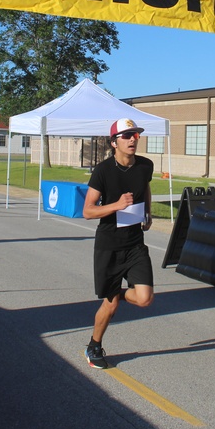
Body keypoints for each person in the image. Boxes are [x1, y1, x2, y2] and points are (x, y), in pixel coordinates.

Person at [81, 118, 154, 369]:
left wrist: (148, 212)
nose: (133, 139)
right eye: (126, 136)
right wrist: (116, 206)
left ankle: (119, 294)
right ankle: (94, 345)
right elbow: (88, 211)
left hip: (135, 243)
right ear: (114, 142)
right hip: (109, 245)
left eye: (135, 134)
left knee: (144, 299)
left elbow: (144, 187)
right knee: (109, 305)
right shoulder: (103, 171)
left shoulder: (145, 165)